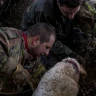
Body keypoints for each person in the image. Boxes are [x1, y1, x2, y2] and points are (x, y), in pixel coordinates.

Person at [21, 0, 87, 69]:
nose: (71, 17)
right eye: (67, 12)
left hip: (58, 28)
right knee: (54, 66)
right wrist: (71, 55)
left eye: (75, 12)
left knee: (83, 42)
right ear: (58, 2)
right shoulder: (43, 10)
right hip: (38, 39)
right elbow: (48, 41)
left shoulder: (72, 8)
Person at [0, 23, 56, 95]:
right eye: (47, 47)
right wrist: (16, 70)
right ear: (36, 40)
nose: (47, 53)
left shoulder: (34, 56)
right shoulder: (8, 37)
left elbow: (39, 73)